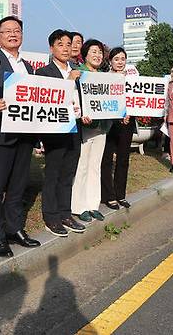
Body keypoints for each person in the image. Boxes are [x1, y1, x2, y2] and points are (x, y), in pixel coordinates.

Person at [0, 16, 40, 258]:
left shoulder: (27, 67)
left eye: (17, 30)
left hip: (24, 135)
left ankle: (15, 229)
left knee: (18, 186)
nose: (12, 34)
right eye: (7, 31)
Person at [36, 29, 85, 237]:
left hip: (76, 128)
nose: (65, 48)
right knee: (53, 174)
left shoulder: (78, 71)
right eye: (60, 44)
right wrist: (70, 81)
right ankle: (51, 216)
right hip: (55, 131)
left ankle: (65, 213)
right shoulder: (44, 73)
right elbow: (49, 99)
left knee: (68, 173)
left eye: (68, 44)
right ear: (51, 48)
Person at [71, 39, 110, 222]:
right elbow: (71, 97)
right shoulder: (78, 73)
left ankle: (93, 205)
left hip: (102, 127)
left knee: (95, 167)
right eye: (93, 51)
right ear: (85, 54)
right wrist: (82, 114)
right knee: (83, 166)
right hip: (85, 128)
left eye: (100, 52)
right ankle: (79, 207)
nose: (97, 55)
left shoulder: (105, 76)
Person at [100, 47, 134, 210]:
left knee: (123, 160)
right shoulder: (104, 78)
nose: (120, 62)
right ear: (110, 61)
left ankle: (120, 195)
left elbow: (137, 101)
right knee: (106, 159)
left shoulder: (133, 79)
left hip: (127, 123)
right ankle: (108, 196)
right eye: (116, 59)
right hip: (109, 123)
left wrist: (128, 113)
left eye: (123, 59)